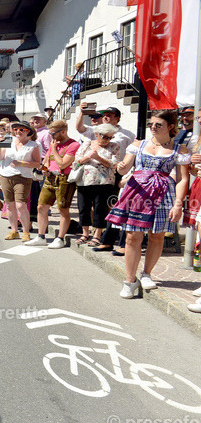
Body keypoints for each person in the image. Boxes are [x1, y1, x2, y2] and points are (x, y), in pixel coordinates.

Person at [107, 110, 189, 299]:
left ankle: (146, 273)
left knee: (157, 236)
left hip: (163, 192)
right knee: (131, 236)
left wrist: (178, 204)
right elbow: (125, 166)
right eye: (151, 124)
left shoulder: (179, 149)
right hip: (137, 191)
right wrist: (121, 167)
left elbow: (183, 179)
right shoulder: (139, 144)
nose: (153, 127)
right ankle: (129, 280)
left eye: (158, 124)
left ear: (170, 126)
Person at [24, 120, 79, 248]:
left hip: (64, 179)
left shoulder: (73, 145)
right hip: (50, 178)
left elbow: (63, 164)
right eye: (50, 133)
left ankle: (60, 238)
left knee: (63, 209)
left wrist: (54, 149)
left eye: (53, 134)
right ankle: (41, 236)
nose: (51, 136)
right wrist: (45, 170)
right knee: (41, 206)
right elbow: (46, 161)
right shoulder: (55, 143)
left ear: (63, 132)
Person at [71, 123, 120, 247]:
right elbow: (76, 161)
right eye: (105, 137)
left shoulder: (114, 147)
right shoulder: (87, 144)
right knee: (83, 208)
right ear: (97, 134)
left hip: (104, 182)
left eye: (110, 137)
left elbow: (114, 164)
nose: (107, 140)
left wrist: (98, 158)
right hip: (84, 181)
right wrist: (87, 158)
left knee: (100, 209)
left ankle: (97, 235)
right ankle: (85, 234)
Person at [0, 121, 40, 241]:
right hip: (5, 175)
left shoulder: (33, 145)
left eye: (22, 130)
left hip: (23, 177)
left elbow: (37, 163)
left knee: (21, 205)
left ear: (28, 132)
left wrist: (20, 163)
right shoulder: (7, 140)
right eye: (16, 129)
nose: (18, 132)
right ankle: (14, 231)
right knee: (10, 205)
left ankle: (26, 232)